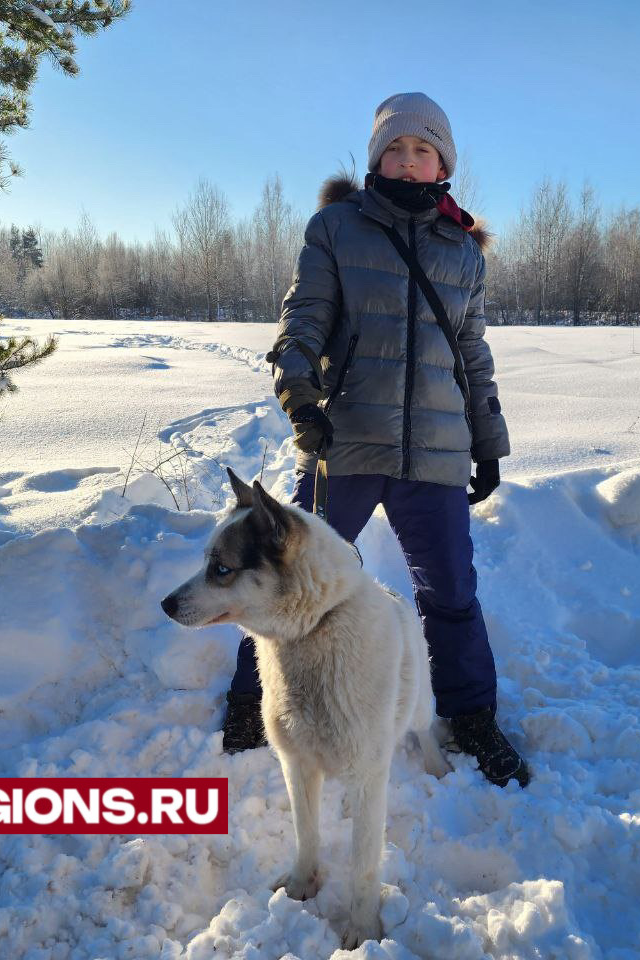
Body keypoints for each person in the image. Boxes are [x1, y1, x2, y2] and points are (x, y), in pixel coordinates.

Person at [222, 92, 528, 788]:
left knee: (451, 591)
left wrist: (487, 443)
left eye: (423, 150)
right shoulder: (337, 228)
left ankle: (473, 717)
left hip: (436, 451)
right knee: (288, 574)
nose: (409, 161)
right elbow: (303, 318)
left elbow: (471, 358)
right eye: (395, 149)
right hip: (347, 441)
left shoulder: (463, 251)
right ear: (376, 158)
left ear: (442, 161)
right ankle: (252, 701)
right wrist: (298, 391)